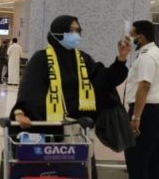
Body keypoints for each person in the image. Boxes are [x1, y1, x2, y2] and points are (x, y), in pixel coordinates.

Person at [9, 15, 131, 179]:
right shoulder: (41, 59)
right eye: (73, 30)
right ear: (59, 33)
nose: (77, 34)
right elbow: (29, 91)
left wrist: (121, 59)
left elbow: (105, 81)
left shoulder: (82, 60)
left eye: (79, 30)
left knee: (79, 172)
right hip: (48, 132)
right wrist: (20, 112)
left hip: (77, 132)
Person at [124, 20, 159, 179]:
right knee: (152, 160)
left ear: (141, 37)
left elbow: (144, 85)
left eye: (132, 35)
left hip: (145, 111)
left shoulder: (147, 57)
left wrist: (136, 117)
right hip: (154, 111)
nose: (129, 39)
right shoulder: (156, 53)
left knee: (136, 158)